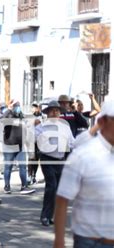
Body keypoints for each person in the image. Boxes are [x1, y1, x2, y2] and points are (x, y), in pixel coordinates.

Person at [54, 98, 114, 248]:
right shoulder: (83, 155)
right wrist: (59, 241)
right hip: (90, 241)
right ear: (103, 122)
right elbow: (62, 200)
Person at [35, 101, 74, 226]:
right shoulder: (41, 126)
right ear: (48, 113)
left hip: (60, 160)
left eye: (57, 110)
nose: (55, 112)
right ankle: (44, 216)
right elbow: (31, 137)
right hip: (47, 158)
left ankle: (50, 216)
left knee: (57, 189)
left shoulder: (65, 127)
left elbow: (71, 142)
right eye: (52, 110)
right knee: (51, 186)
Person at [0, 99, 35, 195]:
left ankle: (24, 187)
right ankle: (7, 186)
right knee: (8, 167)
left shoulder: (21, 116)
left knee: (23, 166)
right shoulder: (8, 115)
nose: (18, 107)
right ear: (11, 105)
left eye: (18, 105)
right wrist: (9, 109)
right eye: (15, 105)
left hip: (20, 146)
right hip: (9, 146)